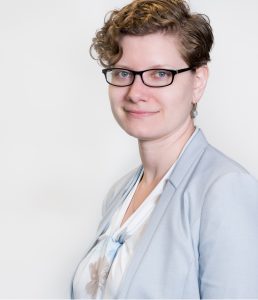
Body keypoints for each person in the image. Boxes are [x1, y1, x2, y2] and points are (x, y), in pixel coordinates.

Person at [71, 0, 258, 298]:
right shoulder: (119, 194)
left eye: (159, 74)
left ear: (198, 82)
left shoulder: (225, 190)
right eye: (123, 73)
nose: (135, 93)